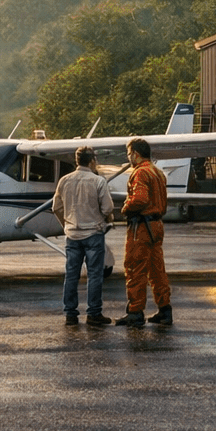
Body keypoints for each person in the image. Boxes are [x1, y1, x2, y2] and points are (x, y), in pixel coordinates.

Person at [51, 145, 115, 326]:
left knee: (71, 275)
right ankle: (94, 313)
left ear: (76, 161)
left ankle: (70, 313)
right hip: (93, 233)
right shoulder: (98, 181)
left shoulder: (64, 180)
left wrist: (66, 225)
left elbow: (56, 207)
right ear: (92, 160)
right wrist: (105, 218)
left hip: (72, 235)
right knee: (94, 275)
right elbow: (108, 208)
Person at [115, 137, 172, 327]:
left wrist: (125, 208)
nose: (128, 157)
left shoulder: (140, 173)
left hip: (141, 227)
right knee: (157, 270)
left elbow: (139, 199)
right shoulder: (158, 172)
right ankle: (165, 309)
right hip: (157, 225)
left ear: (136, 154)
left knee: (135, 268)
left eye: (129, 154)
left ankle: (135, 311)